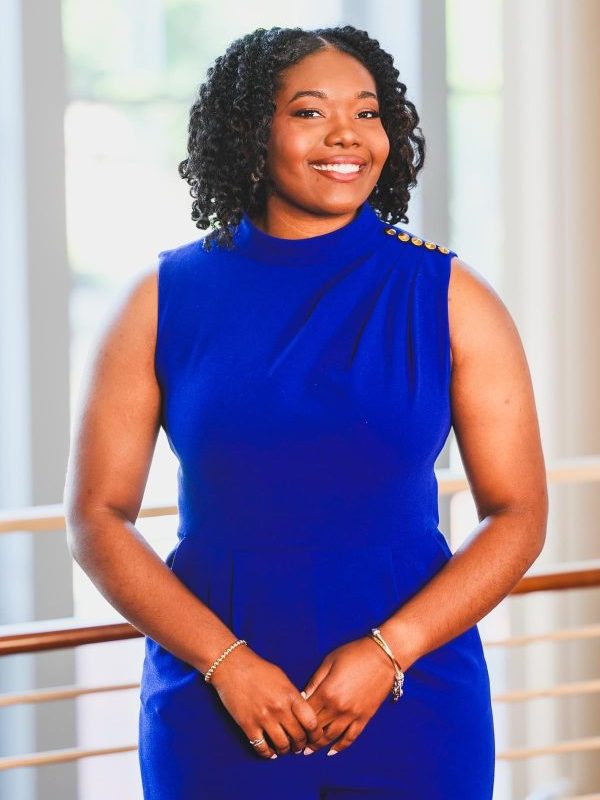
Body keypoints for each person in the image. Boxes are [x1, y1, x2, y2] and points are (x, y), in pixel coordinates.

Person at [63, 24, 548, 799]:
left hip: (414, 695)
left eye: (367, 112)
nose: (346, 137)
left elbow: (519, 514)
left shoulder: (454, 299)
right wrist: (228, 666)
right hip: (218, 699)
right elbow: (96, 515)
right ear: (252, 131)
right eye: (310, 112)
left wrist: (390, 652)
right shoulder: (160, 300)